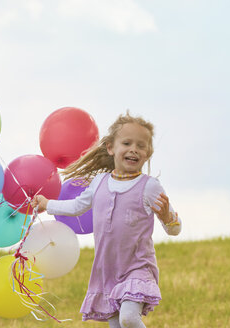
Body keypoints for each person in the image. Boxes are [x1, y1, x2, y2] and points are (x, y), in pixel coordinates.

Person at [31, 112, 182, 328]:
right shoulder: (99, 182)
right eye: (127, 143)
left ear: (148, 153)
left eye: (141, 146)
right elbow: (76, 206)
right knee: (116, 325)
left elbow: (175, 230)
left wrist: (168, 217)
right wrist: (48, 204)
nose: (133, 149)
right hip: (106, 270)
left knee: (129, 318)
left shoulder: (149, 187)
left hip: (137, 267)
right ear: (111, 148)